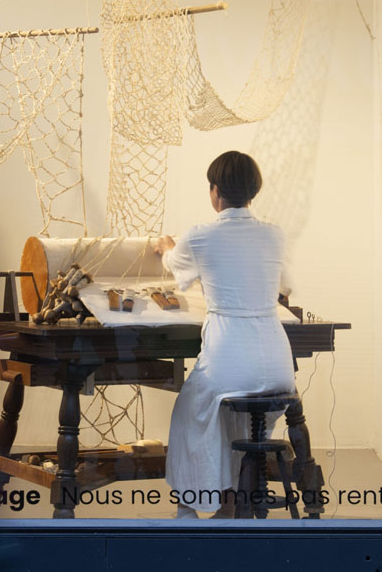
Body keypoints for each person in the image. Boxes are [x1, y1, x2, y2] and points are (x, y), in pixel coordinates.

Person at [153, 151, 295, 519]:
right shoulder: (274, 235)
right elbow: (286, 288)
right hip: (278, 362)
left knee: (190, 416)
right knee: (237, 421)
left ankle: (189, 511)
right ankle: (229, 505)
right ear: (253, 191)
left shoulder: (199, 236)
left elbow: (174, 265)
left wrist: (165, 248)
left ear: (215, 192)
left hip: (229, 354)